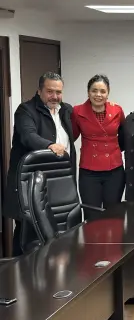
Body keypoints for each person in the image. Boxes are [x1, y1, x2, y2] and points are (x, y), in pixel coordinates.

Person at [5, 72, 76, 256]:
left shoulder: (66, 110)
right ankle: (18, 273)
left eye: (58, 92)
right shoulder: (26, 110)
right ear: (39, 91)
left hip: (58, 180)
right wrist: (49, 145)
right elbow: (28, 136)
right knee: (27, 229)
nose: (55, 96)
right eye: (50, 91)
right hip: (31, 181)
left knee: (56, 228)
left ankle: (50, 273)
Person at [71, 75, 125, 209]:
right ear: (88, 92)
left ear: (108, 93)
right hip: (89, 171)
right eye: (94, 90)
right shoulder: (77, 111)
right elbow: (72, 135)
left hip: (114, 170)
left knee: (113, 213)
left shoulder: (117, 110)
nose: (98, 95)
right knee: (92, 214)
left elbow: (124, 135)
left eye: (103, 91)